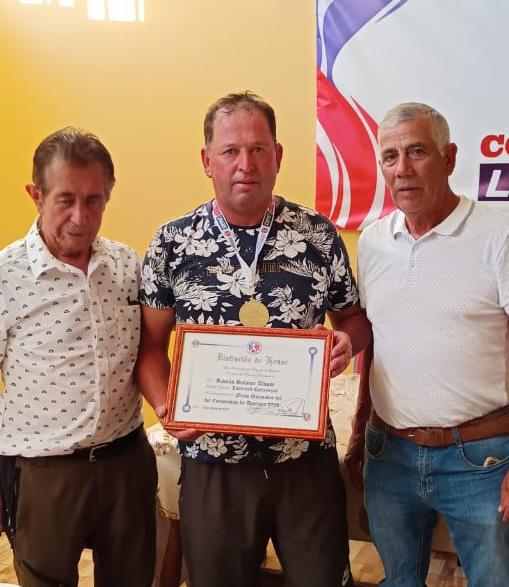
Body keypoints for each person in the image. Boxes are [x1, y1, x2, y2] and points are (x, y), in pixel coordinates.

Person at [136, 91, 371, 587]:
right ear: (207, 161)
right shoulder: (172, 243)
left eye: (258, 149)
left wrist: (347, 343)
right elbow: (150, 349)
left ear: (278, 156)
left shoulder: (317, 235)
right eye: (230, 151)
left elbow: (354, 320)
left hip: (304, 461)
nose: (246, 164)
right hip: (213, 464)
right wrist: (165, 405)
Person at [345, 102, 509, 586]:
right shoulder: (373, 242)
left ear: (450, 157)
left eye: (417, 151)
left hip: (481, 459)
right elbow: (375, 344)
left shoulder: (498, 235)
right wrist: (359, 434)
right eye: (390, 156)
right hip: (389, 455)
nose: (403, 169)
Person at [0, 128, 157, 587]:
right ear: (36, 196)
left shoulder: (128, 265)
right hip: (45, 473)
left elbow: (151, 349)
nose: (80, 216)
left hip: (126, 462)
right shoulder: (6, 276)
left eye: (94, 200)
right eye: (65, 199)